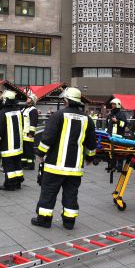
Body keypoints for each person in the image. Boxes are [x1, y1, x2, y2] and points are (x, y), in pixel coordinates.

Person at [31, 87, 97, 230]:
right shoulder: (88, 119)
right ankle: (69, 222)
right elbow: (91, 143)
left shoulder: (58, 116)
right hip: (74, 168)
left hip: (55, 166)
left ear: (66, 100)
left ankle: (44, 220)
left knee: (48, 192)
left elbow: (47, 138)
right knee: (71, 194)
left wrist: (40, 154)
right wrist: (90, 158)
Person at [0, 90, 24, 190]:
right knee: (17, 164)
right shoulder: (18, 112)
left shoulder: (2, 114)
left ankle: (10, 184)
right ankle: (18, 182)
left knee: (8, 165)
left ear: (5, 100)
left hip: (7, 145)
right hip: (18, 145)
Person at [21, 92, 39, 170]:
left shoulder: (33, 110)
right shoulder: (25, 109)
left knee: (29, 150)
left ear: (32, 101)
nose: (27, 99)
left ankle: (30, 164)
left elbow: (33, 122)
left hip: (28, 134)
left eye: (29, 98)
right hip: (23, 134)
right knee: (24, 149)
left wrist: (31, 133)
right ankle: (24, 163)